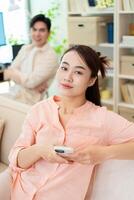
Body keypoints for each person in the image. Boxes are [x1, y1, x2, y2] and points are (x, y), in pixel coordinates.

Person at [5, 45, 134, 199]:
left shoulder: (102, 119)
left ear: (91, 80)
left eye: (78, 72)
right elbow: (16, 160)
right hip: (19, 192)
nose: (68, 77)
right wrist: (41, 151)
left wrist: (103, 153)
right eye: (64, 68)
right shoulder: (39, 110)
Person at [3, 14, 58, 104]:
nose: (37, 34)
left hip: (29, 103)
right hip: (14, 94)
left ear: (48, 33)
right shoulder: (25, 48)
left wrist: (16, 75)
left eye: (42, 30)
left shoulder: (51, 56)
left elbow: (30, 82)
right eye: (34, 29)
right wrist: (28, 84)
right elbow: (9, 72)